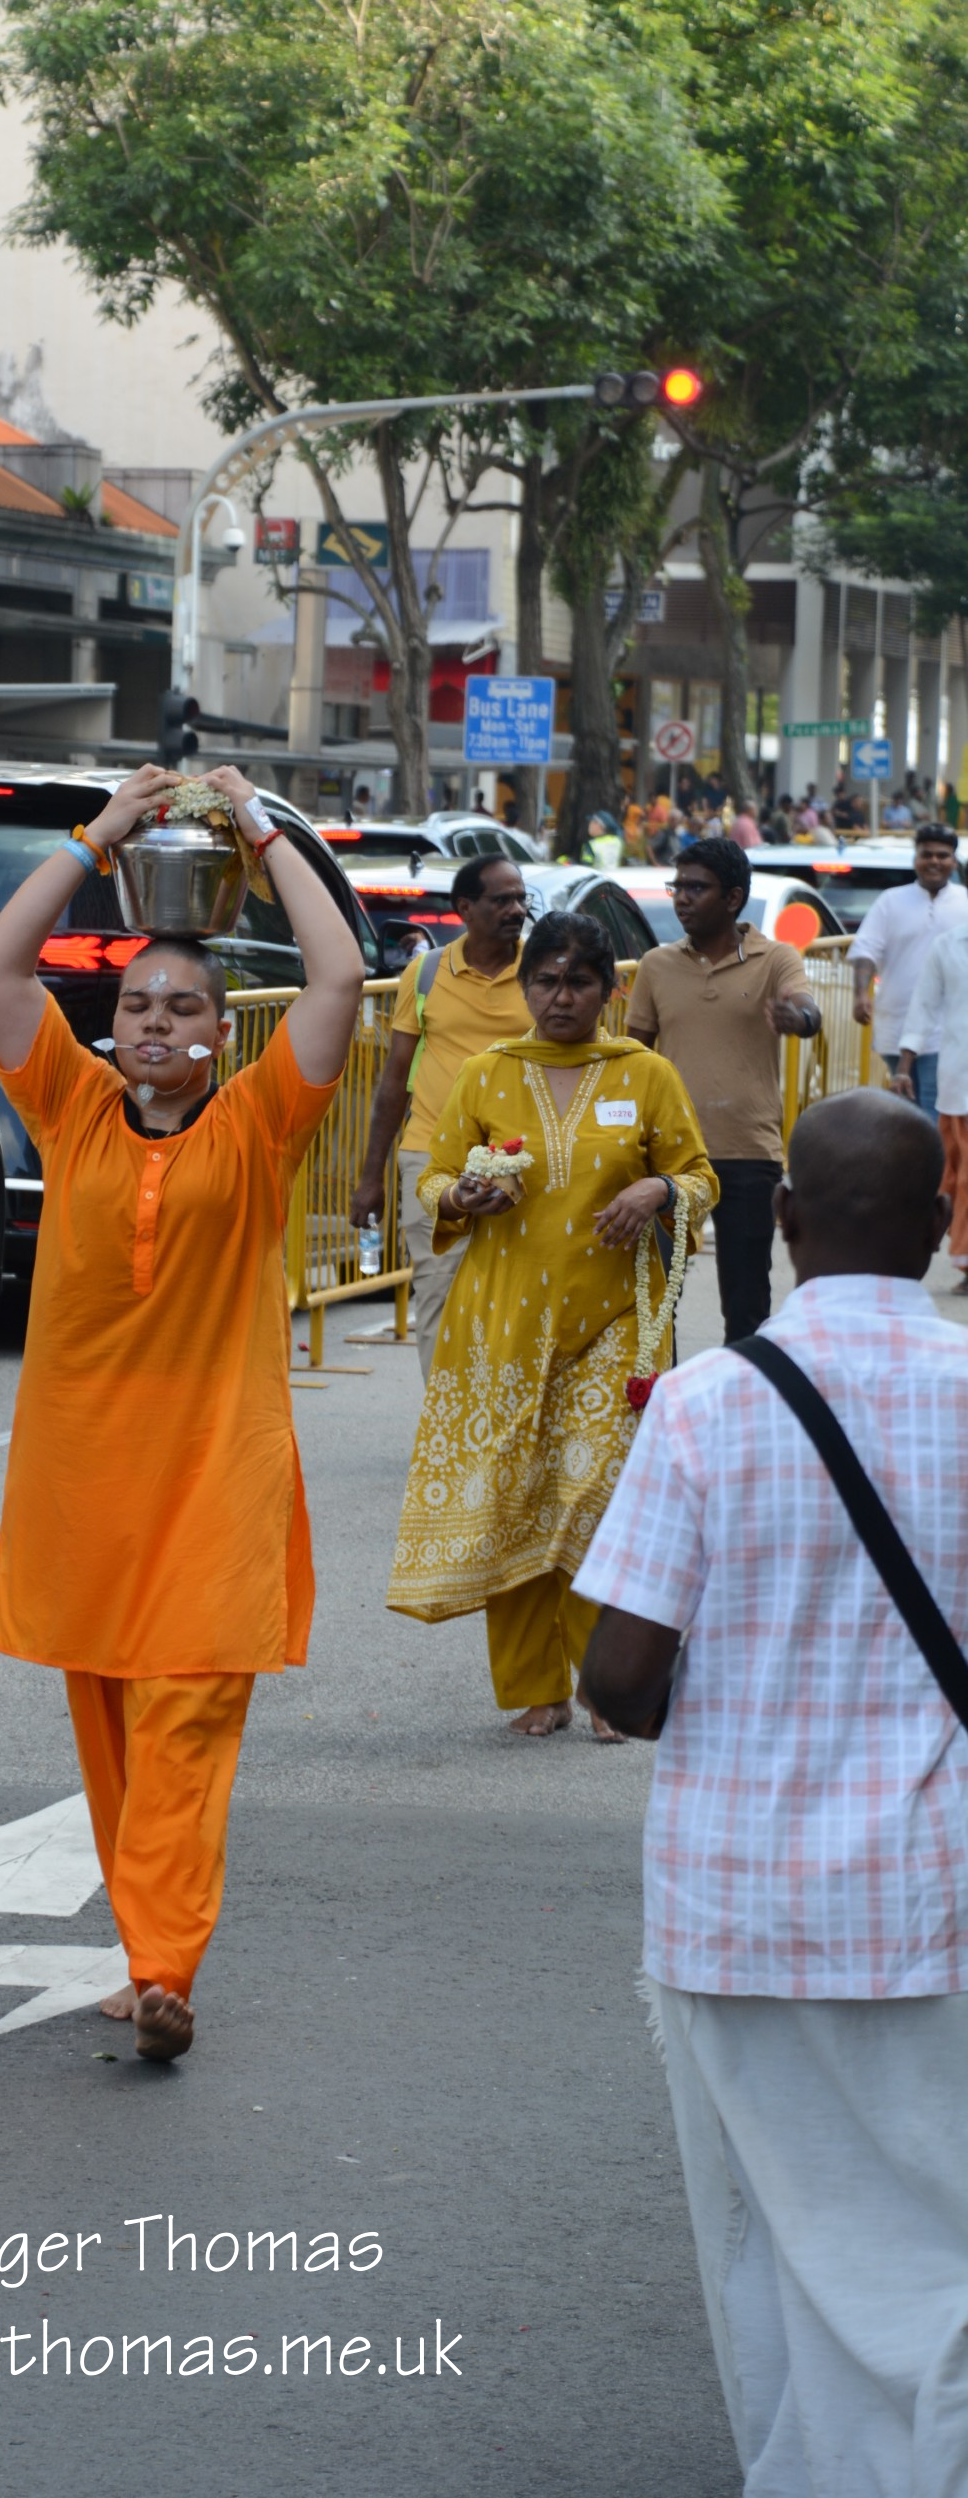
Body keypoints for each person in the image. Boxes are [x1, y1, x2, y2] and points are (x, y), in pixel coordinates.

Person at [575, 1091, 968, 2498]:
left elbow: (616, 1675)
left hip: (735, 1906)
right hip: (939, 1901)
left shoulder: (700, 1406)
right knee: (938, 2231)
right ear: (936, 1227)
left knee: (769, 2234)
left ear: (787, 1223)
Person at [0, 763, 363, 2061]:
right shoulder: (68, 1110)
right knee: (110, 1738)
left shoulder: (256, 1130)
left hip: (213, 1487)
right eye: (134, 1002)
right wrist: (101, 836)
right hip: (82, 1491)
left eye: (181, 1007)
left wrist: (256, 828)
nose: (151, 1022)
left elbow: (338, 981)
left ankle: (161, 1970)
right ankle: (146, 1947)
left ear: (216, 1033)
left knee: (185, 1718)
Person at [386, 912, 716, 1738]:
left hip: (614, 1325)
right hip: (499, 1326)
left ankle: (608, 1686)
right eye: (544, 980)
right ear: (525, 986)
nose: (558, 997)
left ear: (610, 989)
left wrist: (658, 1193)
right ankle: (536, 1687)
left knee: (596, 1499)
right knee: (518, 1498)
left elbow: (699, 1174)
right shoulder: (489, 1074)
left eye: (576, 981)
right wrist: (460, 1197)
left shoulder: (644, 1075)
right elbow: (436, 1180)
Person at [626, 837, 820, 1342]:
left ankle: (746, 1405)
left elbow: (807, 1009)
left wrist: (796, 1017)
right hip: (668, 1156)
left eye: (696, 887)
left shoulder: (775, 958)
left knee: (746, 1299)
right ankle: (651, 1407)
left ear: (733, 898)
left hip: (748, 1152)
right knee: (653, 1303)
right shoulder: (655, 965)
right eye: (678, 886)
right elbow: (632, 1058)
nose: (681, 898)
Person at [348, 857, 534, 1376]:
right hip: (432, 1159)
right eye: (502, 900)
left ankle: (500, 1433)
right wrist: (370, 1178)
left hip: (524, 1158)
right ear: (465, 909)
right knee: (439, 1296)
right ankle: (444, 1439)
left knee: (515, 1301)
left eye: (521, 899)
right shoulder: (425, 973)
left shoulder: (544, 969)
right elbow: (394, 1078)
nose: (516, 910)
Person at [849, 822, 968, 1120]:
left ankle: (937, 1167)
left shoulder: (964, 902)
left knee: (933, 1109)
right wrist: (861, 993)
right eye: (927, 854)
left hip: (948, 1031)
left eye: (942, 855)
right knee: (908, 1114)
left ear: (954, 861)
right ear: (915, 858)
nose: (934, 862)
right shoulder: (891, 901)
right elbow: (866, 950)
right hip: (896, 1027)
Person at [895, 908, 968, 1290]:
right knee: (956, 1177)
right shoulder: (949, 946)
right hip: (959, 1082)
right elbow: (923, 1007)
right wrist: (905, 1065)